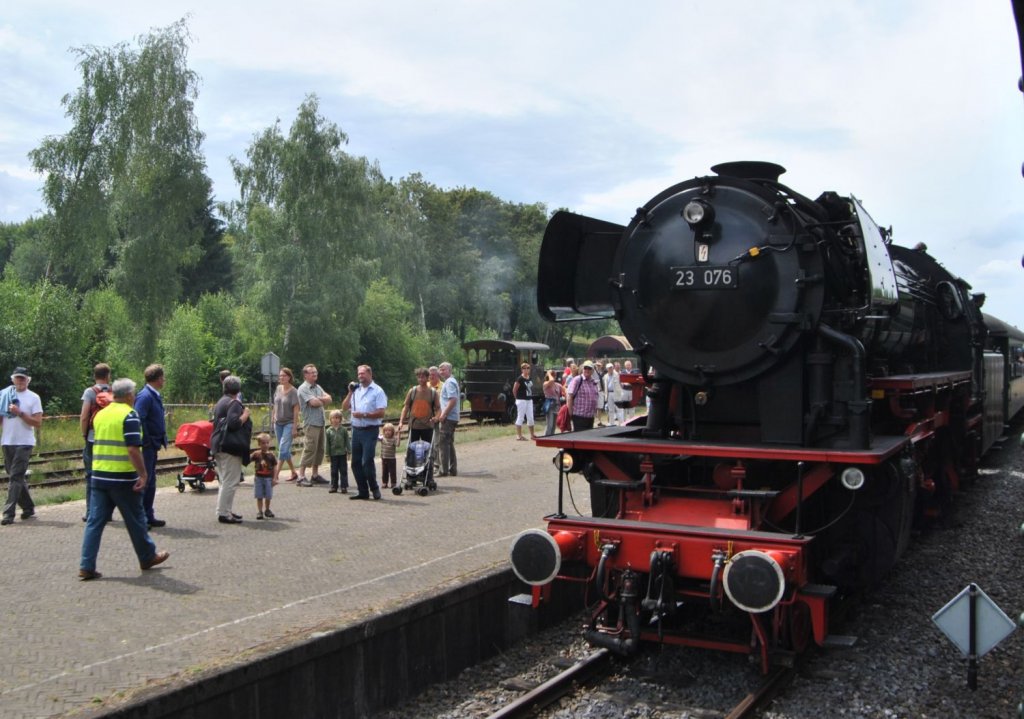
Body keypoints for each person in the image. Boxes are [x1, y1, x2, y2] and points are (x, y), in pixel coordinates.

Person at [78, 378, 169, 579]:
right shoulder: (130, 415)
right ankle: (147, 557)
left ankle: (86, 564)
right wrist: (143, 474)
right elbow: (132, 449)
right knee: (136, 519)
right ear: (128, 395)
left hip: (99, 476)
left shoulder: (101, 415)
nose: (135, 396)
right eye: (134, 393)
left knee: (94, 522)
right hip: (122, 478)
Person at [0, 367, 42, 526]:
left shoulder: (34, 398)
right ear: (13, 379)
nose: (20, 381)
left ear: (28, 380)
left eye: (23, 378)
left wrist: (20, 413)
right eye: (17, 378)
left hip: (25, 442)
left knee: (15, 477)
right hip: (7, 441)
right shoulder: (5, 395)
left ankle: (8, 514)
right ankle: (28, 507)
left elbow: (38, 423)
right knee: (15, 476)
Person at [343, 364, 388, 500]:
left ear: (369, 374)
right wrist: (350, 392)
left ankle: (374, 488)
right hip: (356, 430)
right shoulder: (356, 391)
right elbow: (344, 407)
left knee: (367, 461)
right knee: (355, 462)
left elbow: (381, 412)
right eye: (358, 374)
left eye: (362, 373)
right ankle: (363, 490)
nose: (360, 376)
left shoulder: (377, 391)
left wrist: (364, 414)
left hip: (370, 430)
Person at [211, 375, 252, 524]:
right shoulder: (234, 403)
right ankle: (223, 513)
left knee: (224, 480)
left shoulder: (221, 402)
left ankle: (225, 510)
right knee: (231, 481)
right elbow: (234, 423)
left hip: (218, 445)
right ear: (238, 389)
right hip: (230, 447)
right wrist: (245, 415)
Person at [134, 364, 168, 528]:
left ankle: (148, 515)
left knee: (151, 481)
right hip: (148, 446)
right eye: (163, 377)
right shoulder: (145, 396)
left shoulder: (153, 395)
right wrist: (147, 440)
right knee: (146, 481)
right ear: (158, 378)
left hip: (152, 445)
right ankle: (142, 518)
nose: (164, 380)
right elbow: (139, 419)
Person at [79, 362, 112, 522]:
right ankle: (107, 512)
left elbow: (85, 416)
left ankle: (91, 512)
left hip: (93, 439)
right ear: (108, 376)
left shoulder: (90, 392)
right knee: (108, 475)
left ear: (95, 376)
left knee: (91, 476)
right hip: (110, 440)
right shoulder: (114, 392)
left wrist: (84, 434)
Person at [297, 364, 332, 487]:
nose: (315, 374)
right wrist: (321, 400)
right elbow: (313, 403)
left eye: (316, 372)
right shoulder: (303, 388)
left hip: (321, 422)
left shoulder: (317, 387)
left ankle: (315, 475)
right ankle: (301, 476)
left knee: (319, 449)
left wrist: (319, 399)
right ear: (305, 374)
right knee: (309, 449)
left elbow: (330, 399)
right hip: (311, 423)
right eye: (312, 372)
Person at [271, 368, 301, 483]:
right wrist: (273, 416)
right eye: (280, 376)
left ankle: (275, 475)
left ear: (289, 377)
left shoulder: (294, 391)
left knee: (283, 449)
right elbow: (275, 403)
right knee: (284, 450)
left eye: (284, 376)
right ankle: (293, 472)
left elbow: (296, 410)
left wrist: (294, 426)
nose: (281, 378)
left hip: (289, 423)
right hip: (278, 423)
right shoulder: (278, 388)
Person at [399, 368, 440, 445]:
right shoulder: (412, 391)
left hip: (428, 426)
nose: (420, 379)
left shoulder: (433, 392)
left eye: (423, 377)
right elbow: (406, 407)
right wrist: (401, 422)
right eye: (419, 377)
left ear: (427, 378)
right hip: (414, 426)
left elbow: (438, 408)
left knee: (427, 451)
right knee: (412, 450)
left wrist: (437, 417)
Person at [435, 362, 460, 477]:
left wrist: (444, 414)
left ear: (449, 370)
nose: (441, 371)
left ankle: (443, 470)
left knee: (443, 443)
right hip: (451, 416)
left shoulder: (449, 382)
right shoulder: (449, 382)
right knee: (449, 442)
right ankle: (452, 469)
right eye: (440, 369)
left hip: (449, 417)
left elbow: (452, 400)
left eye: (443, 369)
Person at [566, 360, 600, 431]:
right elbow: (569, 397)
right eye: (585, 368)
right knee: (580, 439)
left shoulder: (593, 382)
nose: (587, 370)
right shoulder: (577, 380)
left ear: (593, 370)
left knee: (588, 440)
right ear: (582, 369)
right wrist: (570, 413)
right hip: (579, 417)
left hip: (590, 417)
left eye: (589, 368)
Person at [250, 433, 277, 520]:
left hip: (269, 478)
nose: (265, 445)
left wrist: (275, 478)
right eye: (263, 443)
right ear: (259, 444)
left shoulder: (271, 455)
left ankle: (267, 510)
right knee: (259, 496)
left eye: (267, 443)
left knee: (268, 495)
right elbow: (248, 459)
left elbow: (275, 467)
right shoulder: (256, 454)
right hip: (259, 478)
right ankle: (260, 511)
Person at [325, 409, 351, 494]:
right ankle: (334, 486)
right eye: (333, 418)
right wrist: (327, 455)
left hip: (342, 453)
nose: (335, 420)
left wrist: (349, 451)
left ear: (340, 419)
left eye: (337, 418)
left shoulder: (343, 430)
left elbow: (347, 441)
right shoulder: (328, 431)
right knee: (334, 471)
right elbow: (327, 444)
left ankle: (344, 486)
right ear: (330, 419)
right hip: (333, 454)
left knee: (343, 470)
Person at [513, 362, 538, 441]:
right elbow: (514, 389)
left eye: (528, 368)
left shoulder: (529, 378)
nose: (526, 370)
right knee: (520, 417)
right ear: (522, 370)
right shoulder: (520, 378)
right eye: (524, 368)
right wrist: (517, 398)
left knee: (530, 417)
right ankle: (519, 435)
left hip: (529, 400)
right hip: (521, 400)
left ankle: (532, 434)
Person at [542, 370, 564, 437]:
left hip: (556, 405)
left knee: (554, 425)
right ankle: (546, 438)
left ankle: (552, 437)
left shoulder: (557, 385)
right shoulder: (546, 383)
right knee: (550, 424)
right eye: (553, 374)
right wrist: (548, 373)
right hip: (550, 406)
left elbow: (564, 389)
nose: (554, 376)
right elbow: (551, 380)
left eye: (554, 375)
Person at [379, 423, 400, 489]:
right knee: (384, 471)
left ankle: (393, 483)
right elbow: (376, 437)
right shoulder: (382, 438)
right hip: (384, 458)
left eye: (389, 430)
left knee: (392, 472)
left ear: (392, 432)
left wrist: (399, 436)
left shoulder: (393, 439)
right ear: (384, 431)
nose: (387, 432)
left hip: (392, 459)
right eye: (386, 430)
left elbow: (398, 445)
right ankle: (385, 483)